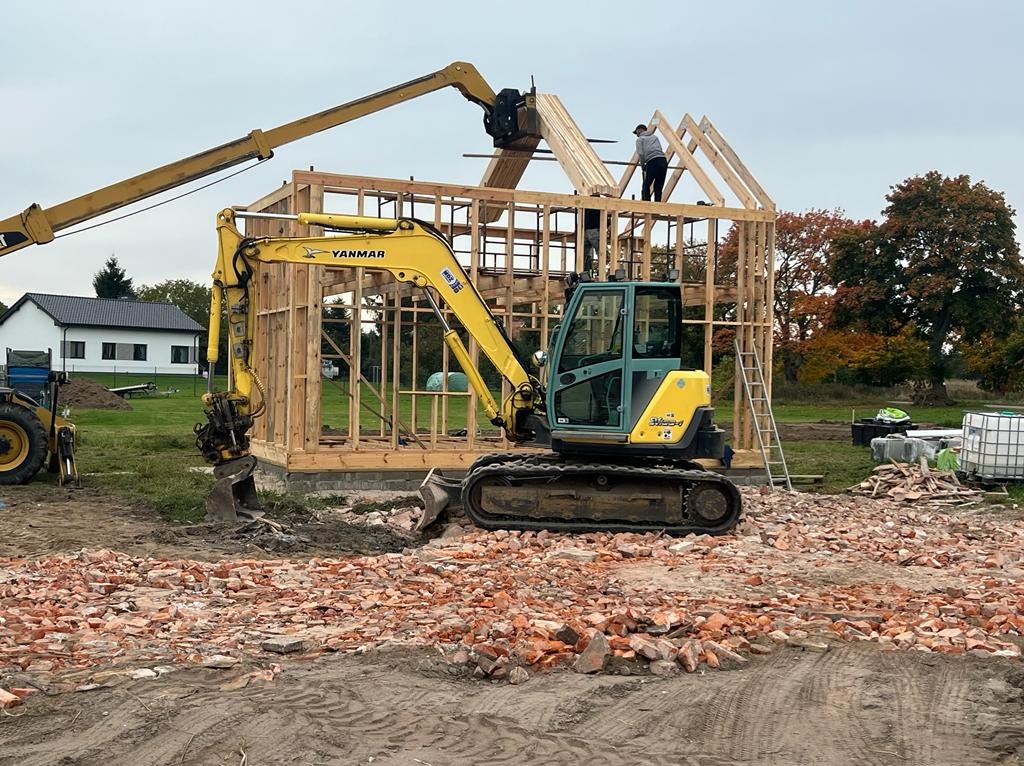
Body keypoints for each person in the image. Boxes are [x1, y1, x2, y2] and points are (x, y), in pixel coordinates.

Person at [634, 120, 668, 202]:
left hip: (653, 161)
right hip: (663, 161)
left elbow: (641, 154)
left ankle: (647, 207)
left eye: (636, 133)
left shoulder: (640, 140)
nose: (636, 135)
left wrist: (643, 166)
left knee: (646, 186)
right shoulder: (654, 137)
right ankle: (657, 209)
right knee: (658, 186)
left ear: (639, 130)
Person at [582, 204, 602, 273]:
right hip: (594, 231)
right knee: (603, 254)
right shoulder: (600, 203)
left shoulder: (585, 202)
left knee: (581, 256)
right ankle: (600, 271)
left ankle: (581, 273)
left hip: (583, 231)